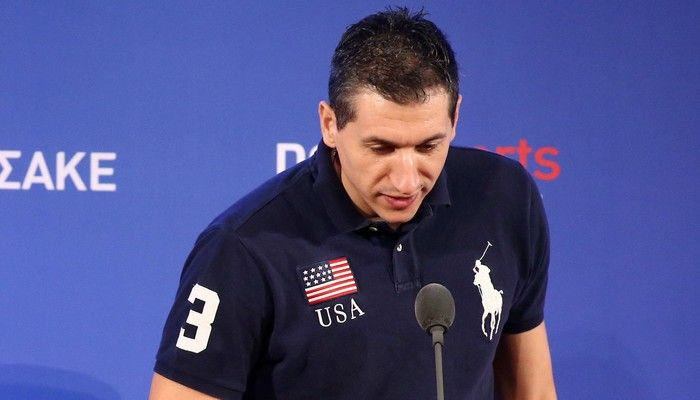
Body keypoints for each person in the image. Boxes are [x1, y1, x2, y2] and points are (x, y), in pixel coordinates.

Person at [149, 7, 556, 400]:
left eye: (428, 146)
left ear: (455, 118)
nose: (407, 181)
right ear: (330, 124)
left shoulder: (503, 197)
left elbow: (531, 390)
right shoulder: (242, 249)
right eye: (381, 148)